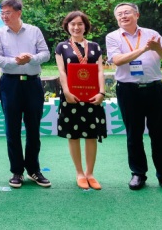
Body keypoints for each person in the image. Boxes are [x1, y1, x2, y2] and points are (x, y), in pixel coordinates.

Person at [106, 3, 162, 195]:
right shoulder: (113, 37)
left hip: (154, 89)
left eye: (127, 12)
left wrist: (157, 48)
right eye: (119, 14)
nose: (123, 16)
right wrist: (144, 49)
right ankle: (138, 174)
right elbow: (117, 60)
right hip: (128, 91)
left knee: (160, 134)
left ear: (137, 15)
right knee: (134, 134)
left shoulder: (152, 34)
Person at [0, 0, 51, 189]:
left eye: (8, 12)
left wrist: (31, 58)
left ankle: (34, 170)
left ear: (19, 13)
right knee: (12, 128)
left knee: (33, 129)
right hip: (10, 84)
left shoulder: (34, 31)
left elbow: (45, 54)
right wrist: (16, 61)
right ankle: (17, 171)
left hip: (32, 83)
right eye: (2, 13)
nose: (4, 16)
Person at [55, 11, 107, 190]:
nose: (76, 27)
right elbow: (62, 71)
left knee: (92, 134)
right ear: (67, 26)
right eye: (72, 24)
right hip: (71, 97)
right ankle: (79, 173)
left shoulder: (95, 46)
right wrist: (66, 92)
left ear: (85, 26)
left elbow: (100, 70)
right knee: (73, 134)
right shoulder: (62, 47)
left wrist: (102, 92)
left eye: (80, 24)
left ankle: (90, 173)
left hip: (93, 96)